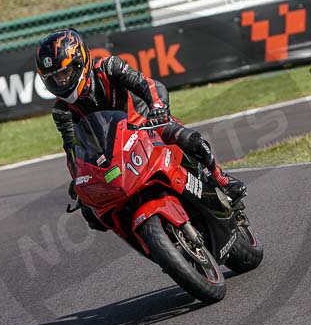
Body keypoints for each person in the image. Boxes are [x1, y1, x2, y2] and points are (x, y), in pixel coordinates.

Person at [36, 28, 246, 230]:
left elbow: (149, 85)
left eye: (65, 72)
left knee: (190, 140)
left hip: (147, 125)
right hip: (113, 153)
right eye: (54, 77)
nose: (61, 80)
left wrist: (158, 107)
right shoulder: (62, 110)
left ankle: (222, 179)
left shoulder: (109, 68)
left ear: (80, 61)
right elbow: (72, 149)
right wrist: (78, 179)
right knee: (92, 214)